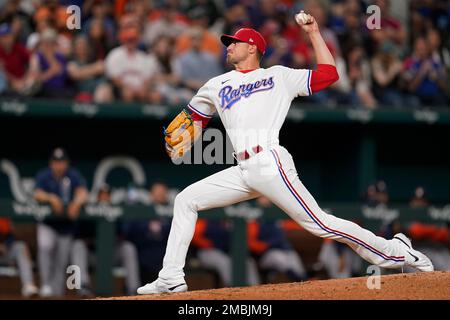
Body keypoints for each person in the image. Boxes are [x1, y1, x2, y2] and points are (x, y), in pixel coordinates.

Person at [137, 11, 434, 295]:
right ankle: (171, 277)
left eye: (234, 42)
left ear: (252, 47)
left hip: (269, 161)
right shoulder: (216, 84)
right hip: (242, 170)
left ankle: (399, 253)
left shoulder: (279, 76)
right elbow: (192, 120)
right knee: (186, 199)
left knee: (321, 225)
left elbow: (329, 75)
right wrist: (179, 138)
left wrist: (314, 33)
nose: (228, 46)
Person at [33, 148, 88, 297]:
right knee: (45, 247)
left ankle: (56, 292)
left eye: (62, 162)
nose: (59, 165)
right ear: (51, 163)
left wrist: (76, 202)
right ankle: (45, 284)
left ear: (66, 163)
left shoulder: (73, 175)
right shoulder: (44, 175)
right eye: (56, 162)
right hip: (48, 224)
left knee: (61, 261)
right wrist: (51, 198)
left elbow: (83, 192)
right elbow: (36, 193)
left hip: (66, 227)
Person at [0, 218, 38, 297]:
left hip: (4, 253)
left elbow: (10, 236)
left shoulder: (5, 213)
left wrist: (6, 245)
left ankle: (28, 285)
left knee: (20, 247)